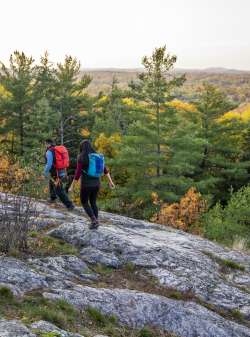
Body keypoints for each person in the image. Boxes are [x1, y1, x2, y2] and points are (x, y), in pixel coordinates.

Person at [69, 139, 115, 229]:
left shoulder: (81, 157)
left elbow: (77, 174)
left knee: (84, 202)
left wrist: (72, 186)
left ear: (81, 148)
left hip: (86, 184)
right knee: (93, 202)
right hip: (97, 184)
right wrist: (111, 181)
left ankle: (94, 220)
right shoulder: (97, 156)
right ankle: (96, 221)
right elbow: (105, 170)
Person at [44, 139, 74, 210]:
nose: (45, 146)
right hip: (62, 171)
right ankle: (53, 198)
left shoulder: (49, 152)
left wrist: (45, 171)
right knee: (51, 182)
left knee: (59, 189)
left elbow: (49, 164)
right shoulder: (57, 150)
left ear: (48, 144)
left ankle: (69, 205)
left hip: (56, 173)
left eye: (45, 144)